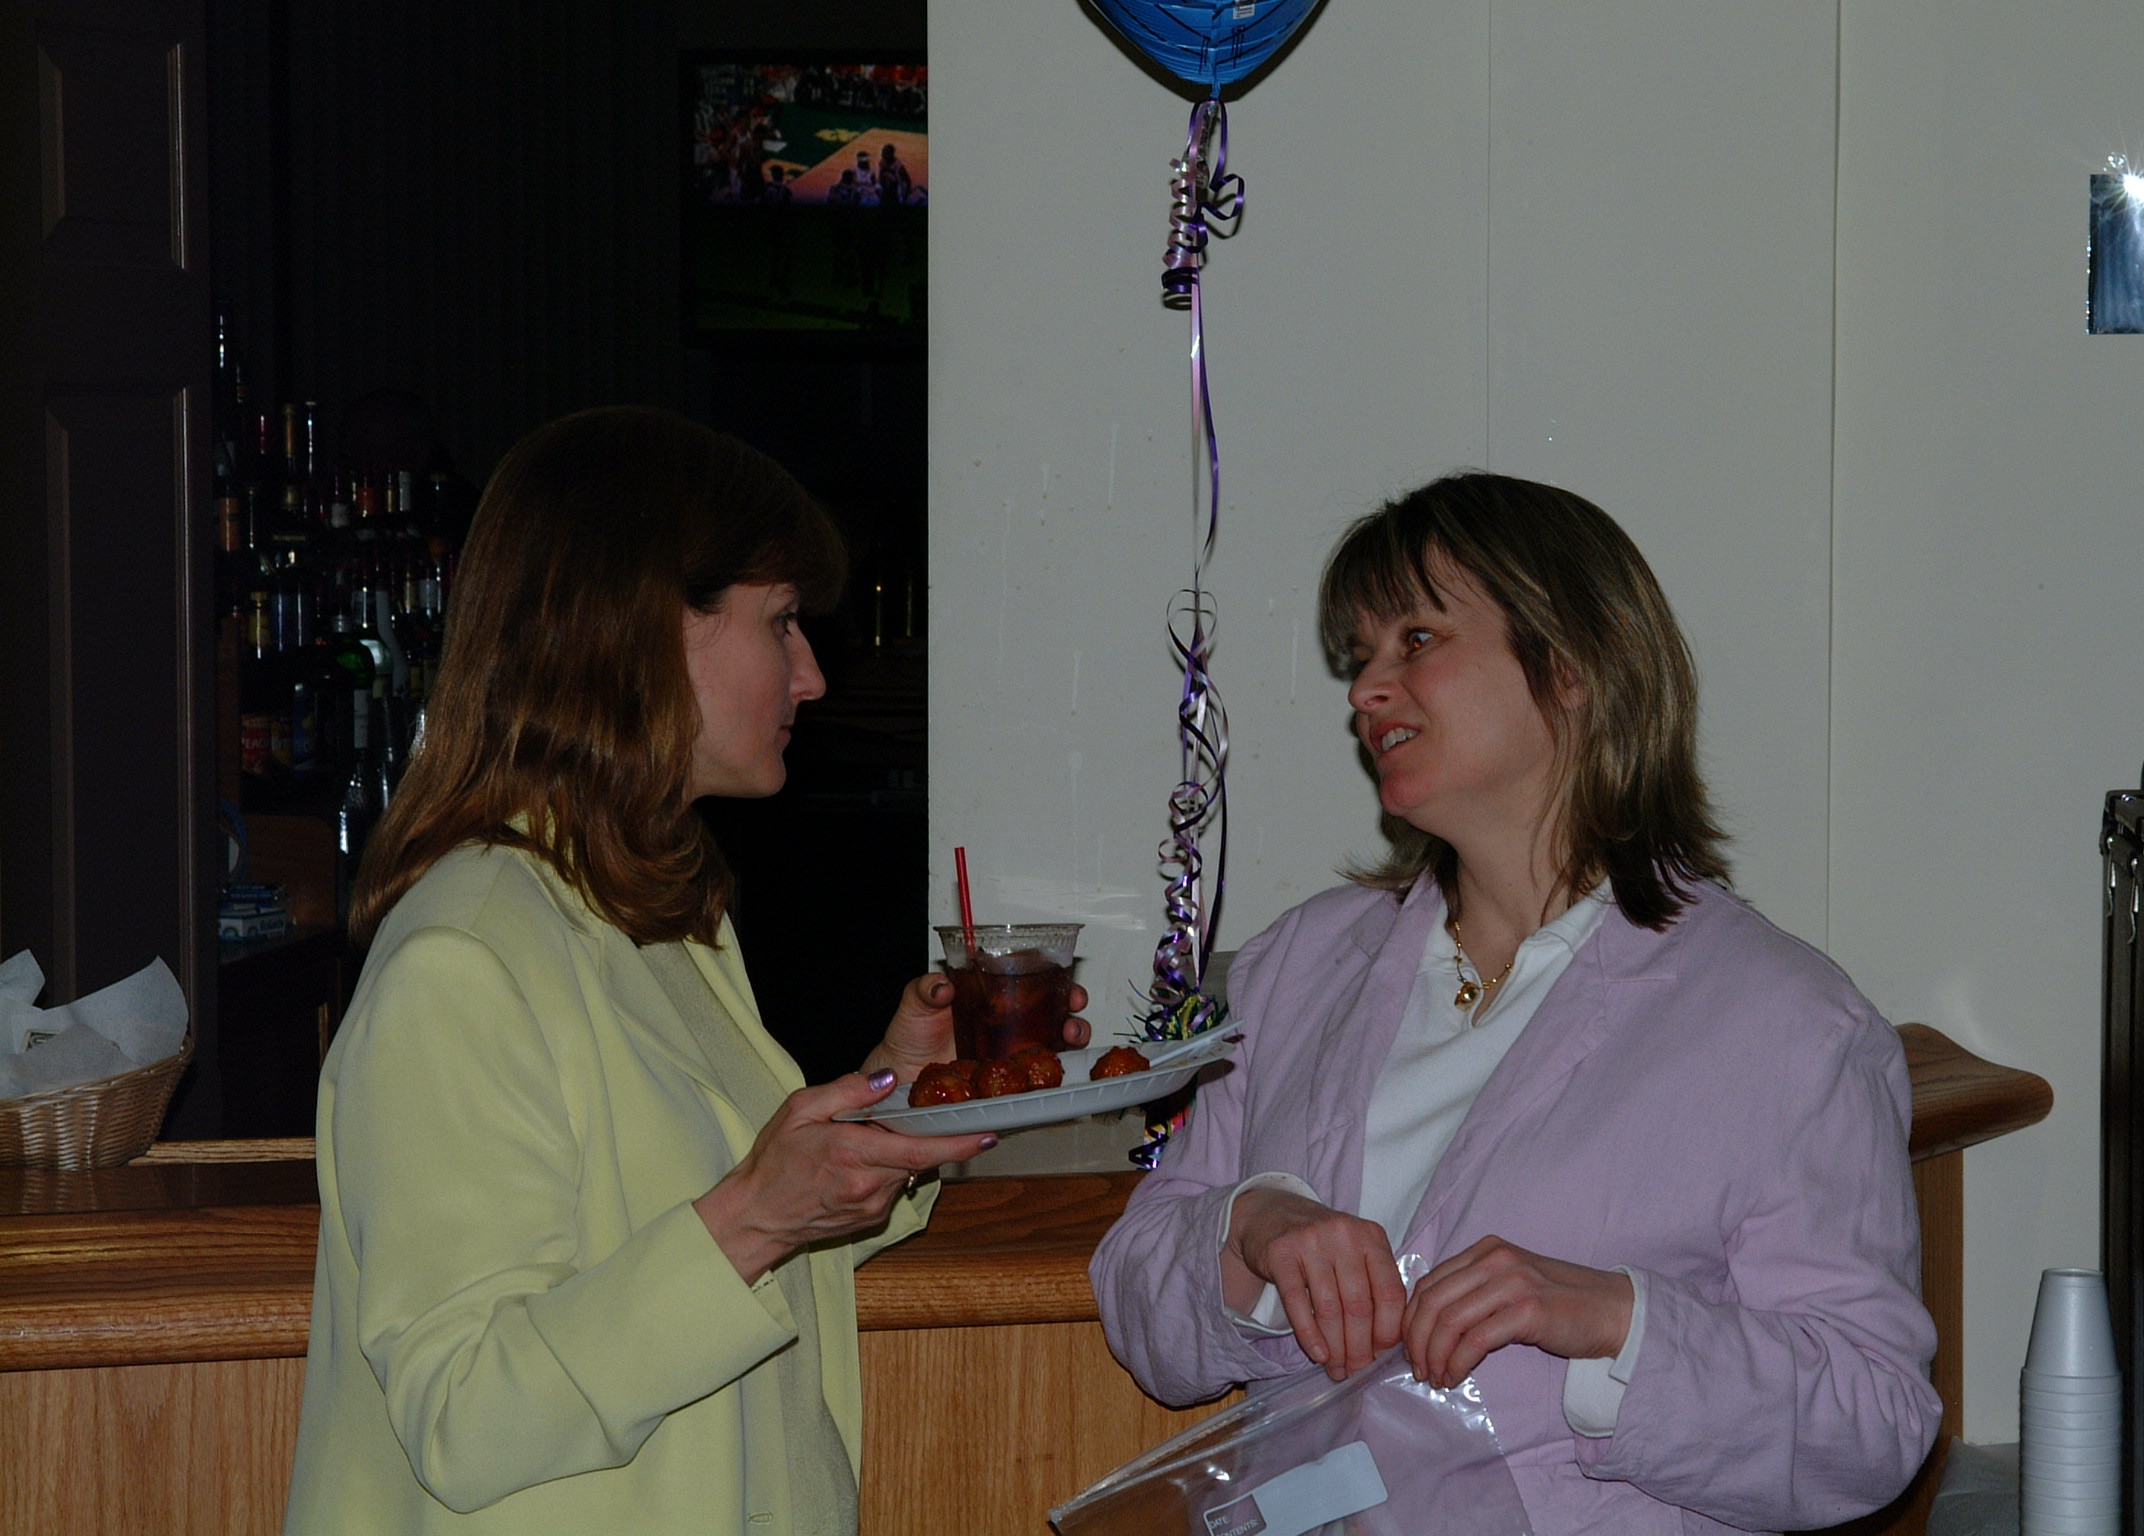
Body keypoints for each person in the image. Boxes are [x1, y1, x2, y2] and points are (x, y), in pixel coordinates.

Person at [283, 406, 1084, 1533]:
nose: (811, 676)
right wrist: (756, 1216)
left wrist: (900, 1100)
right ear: (644, 630)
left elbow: (706, 1257)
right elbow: (462, 1413)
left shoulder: (652, 917)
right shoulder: (463, 958)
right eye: (782, 622)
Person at [1091, 474, 1940, 1534]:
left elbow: (1872, 1425)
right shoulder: (1298, 966)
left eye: (1416, 640)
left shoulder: (1787, 1024)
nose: (1367, 691)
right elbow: (1137, 1290)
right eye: (1361, 658)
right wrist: (1249, 1227)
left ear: (1572, 663)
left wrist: (1616, 1322)